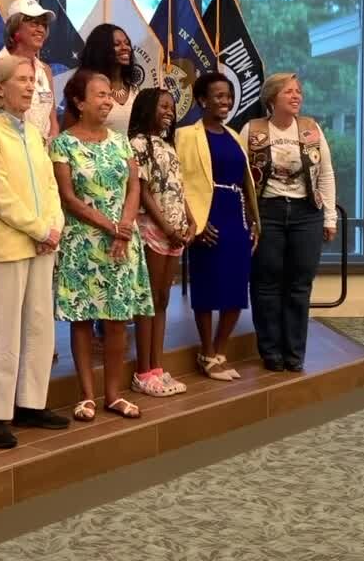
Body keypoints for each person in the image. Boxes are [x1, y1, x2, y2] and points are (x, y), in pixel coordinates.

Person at [0, 55, 70, 448]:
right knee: (3, 331)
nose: (32, 87)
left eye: (33, 80)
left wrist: (55, 226)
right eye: (23, 80)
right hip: (11, 246)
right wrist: (39, 228)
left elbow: (48, 185)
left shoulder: (32, 132)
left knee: (40, 326)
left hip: (43, 244)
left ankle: (32, 402)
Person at [51, 69, 153, 422]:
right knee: (82, 318)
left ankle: (113, 395)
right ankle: (86, 395)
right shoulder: (63, 143)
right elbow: (67, 197)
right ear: (79, 102)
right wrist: (110, 226)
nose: (108, 100)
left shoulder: (121, 141)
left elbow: (134, 186)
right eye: (100, 94)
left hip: (122, 242)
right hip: (84, 242)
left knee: (116, 320)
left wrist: (125, 225)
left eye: (109, 94)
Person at [245, 73, 336, 373]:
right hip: (267, 213)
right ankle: (271, 352)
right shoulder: (253, 129)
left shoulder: (311, 129)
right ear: (272, 98)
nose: (297, 96)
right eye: (289, 92)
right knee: (266, 284)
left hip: (306, 213)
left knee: (299, 285)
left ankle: (294, 354)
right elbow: (242, 178)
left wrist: (330, 217)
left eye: (299, 91)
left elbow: (326, 174)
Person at [175, 72, 260, 382]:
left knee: (237, 287)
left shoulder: (234, 135)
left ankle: (219, 351)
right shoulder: (185, 135)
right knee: (207, 286)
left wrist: (252, 219)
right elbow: (179, 182)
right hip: (205, 219)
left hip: (234, 214)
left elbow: (245, 183)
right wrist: (193, 221)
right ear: (202, 100)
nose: (225, 101)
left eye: (228, 96)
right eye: (218, 96)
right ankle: (206, 351)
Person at [128, 88, 194, 397]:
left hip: (176, 230)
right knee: (148, 300)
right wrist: (166, 226)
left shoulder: (169, 144)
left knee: (163, 299)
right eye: (162, 106)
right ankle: (143, 372)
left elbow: (177, 188)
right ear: (146, 108)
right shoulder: (138, 144)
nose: (169, 110)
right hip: (154, 229)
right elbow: (142, 191)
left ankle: (157, 366)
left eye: (171, 106)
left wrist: (191, 220)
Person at [0, 0, 59, 141]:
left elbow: (52, 116)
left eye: (43, 25)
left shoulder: (45, 70)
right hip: (11, 146)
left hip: (44, 153)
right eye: (34, 23)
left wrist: (54, 137)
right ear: (14, 28)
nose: (41, 29)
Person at [80, 23, 141, 136]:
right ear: (101, 50)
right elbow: (70, 133)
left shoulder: (135, 90)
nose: (125, 48)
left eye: (127, 43)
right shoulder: (86, 87)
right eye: (117, 44)